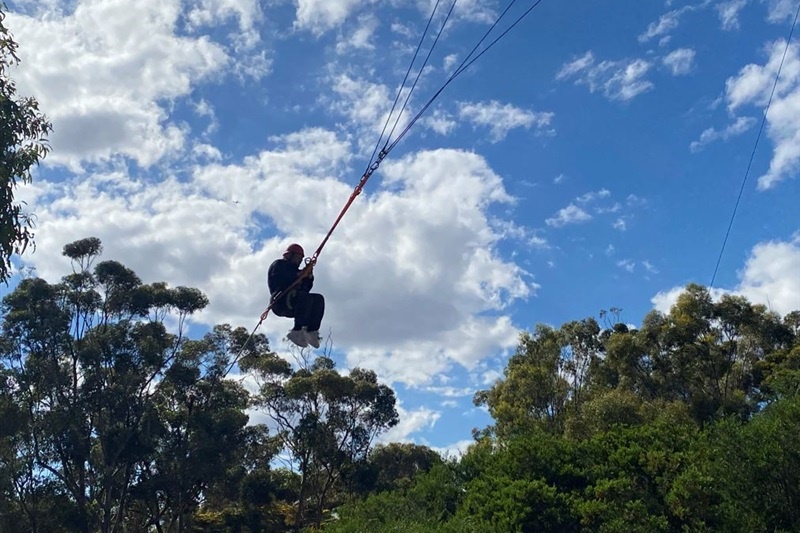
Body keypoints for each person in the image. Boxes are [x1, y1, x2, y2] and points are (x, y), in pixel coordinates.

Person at [268, 243, 325, 349]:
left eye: (301, 259)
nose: (299, 261)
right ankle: (297, 330)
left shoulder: (297, 271)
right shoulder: (279, 265)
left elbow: (306, 288)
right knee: (304, 297)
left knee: (318, 299)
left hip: (295, 303)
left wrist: (308, 277)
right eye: (298, 258)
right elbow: (284, 277)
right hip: (280, 301)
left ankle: (312, 330)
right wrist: (300, 275)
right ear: (289, 255)